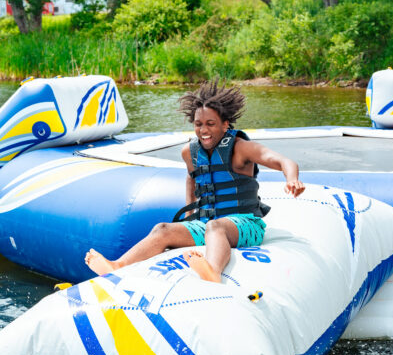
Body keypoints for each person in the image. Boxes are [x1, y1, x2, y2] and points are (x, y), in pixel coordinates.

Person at [85, 80, 305, 283]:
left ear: (225, 125)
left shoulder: (240, 148)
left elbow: (282, 160)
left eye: (210, 123)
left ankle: (212, 271)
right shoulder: (189, 152)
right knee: (162, 229)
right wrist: (190, 218)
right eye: (199, 124)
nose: (204, 130)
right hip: (208, 224)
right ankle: (117, 265)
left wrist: (292, 179)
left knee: (215, 226)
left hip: (245, 224)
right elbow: (192, 181)